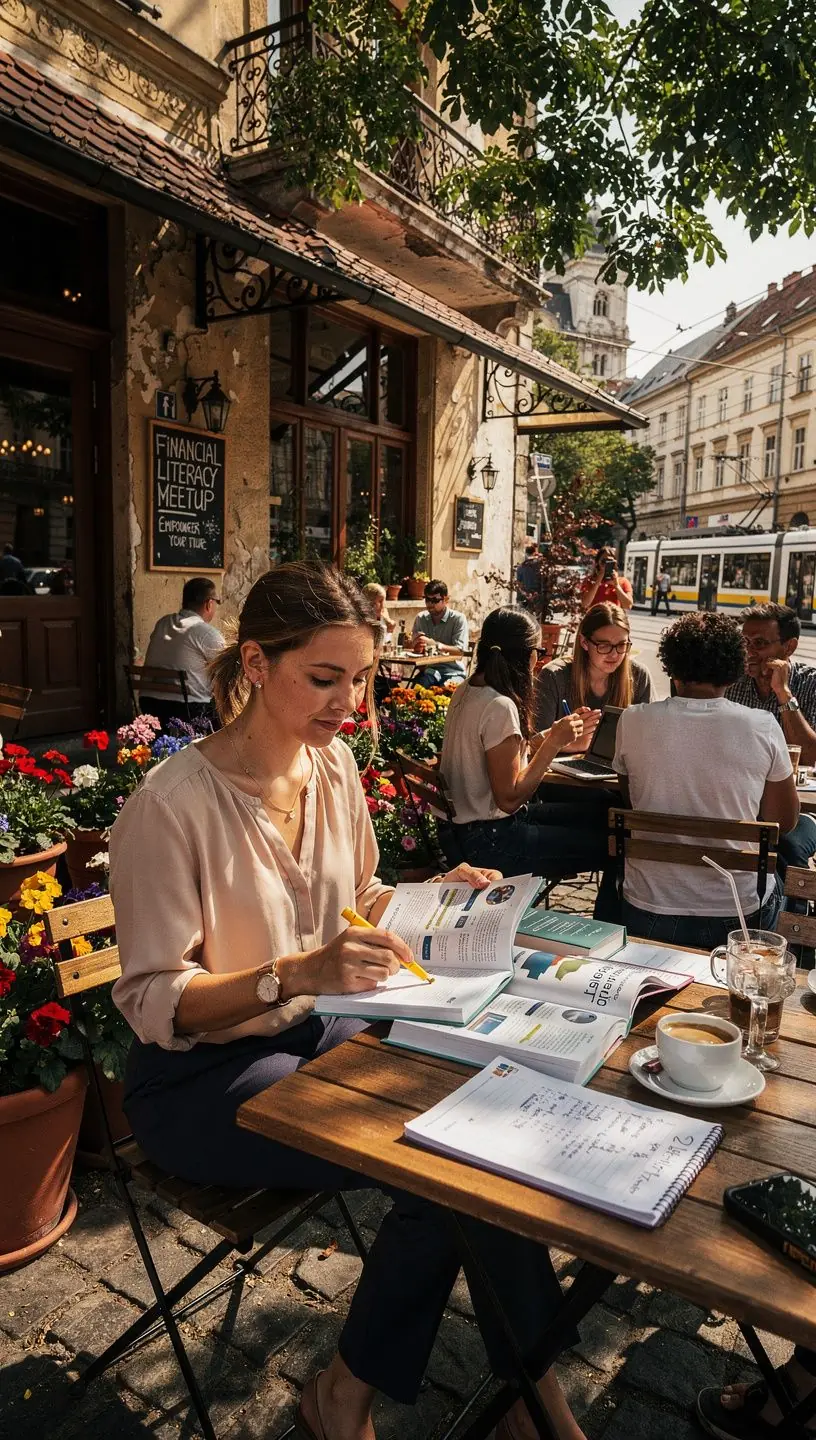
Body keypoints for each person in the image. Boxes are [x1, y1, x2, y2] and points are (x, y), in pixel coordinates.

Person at [110, 562, 590, 1440]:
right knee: (442, 1168)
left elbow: (357, 895)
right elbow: (154, 1001)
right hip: (194, 1082)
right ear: (254, 663)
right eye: (324, 678)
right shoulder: (171, 805)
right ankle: (428, 1399)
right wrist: (293, 974)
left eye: (360, 678)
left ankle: (509, 1391)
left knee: (478, 1135)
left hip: (314, 1032)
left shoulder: (331, 768)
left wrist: (434, 890)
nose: (348, 703)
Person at [605, 611, 799, 947]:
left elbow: (632, 798)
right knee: (787, 882)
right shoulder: (762, 725)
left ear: (672, 666)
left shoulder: (633, 720)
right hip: (735, 914)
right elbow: (785, 821)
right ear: (732, 669)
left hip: (645, 907)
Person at [438, 607, 611, 886]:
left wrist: (551, 734)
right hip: (493, 841)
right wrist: (554, 742)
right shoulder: (499, 705)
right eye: (539, 652)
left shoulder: (468, 689)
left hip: (469, 833)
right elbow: (509, 799)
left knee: (603, 810)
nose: (539, 660)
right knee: (613, 843)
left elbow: (498, 752)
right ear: (525, 655)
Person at [725, 602, 816, 879]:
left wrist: (783, 694)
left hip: (800, 808)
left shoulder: (810, 683)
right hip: (742, 800)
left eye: (760, 643)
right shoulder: (731, 681)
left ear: (788, 647)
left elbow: (812, 757)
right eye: (745, 642)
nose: (749, 652)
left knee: (787, 844)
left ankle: (794, 918)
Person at [536, 603, 652, 735]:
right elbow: (532, 744)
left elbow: (648, 736)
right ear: (584, 642)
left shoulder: (639, 675)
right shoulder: (553, 677)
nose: (614, 655)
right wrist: (567, 742)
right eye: (604, 645)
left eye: (621, 645)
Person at [141, 576, 226, 727]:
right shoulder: (206, 633)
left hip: (150, 706)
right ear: (209, 604)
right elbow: (227, 671)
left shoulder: (163, 623)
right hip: (187, 710)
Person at [411, 579, 469, 683]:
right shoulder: (421, 618)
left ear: (446, 600)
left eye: (435, 600)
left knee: (446, 692)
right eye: (427, 599)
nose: (430, 604)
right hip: (429, 671)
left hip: (453, 672)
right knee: (414, 692)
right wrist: (415, 645)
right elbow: (413, 647)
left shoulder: (458, 619)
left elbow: (460, 650)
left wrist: (435, 645)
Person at [580, 547, 632, 613]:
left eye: (610, 562)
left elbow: (628, 606)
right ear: (597, 563)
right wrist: (597, 581)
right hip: (594, 620)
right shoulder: (589, 580)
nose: (606, 565)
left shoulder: (623, 581)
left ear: (615, 563)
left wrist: (617, 586)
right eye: (603, 561)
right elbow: (585, 604)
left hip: (614, 621)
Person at [516, 542, 541, 610]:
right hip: (538, 594)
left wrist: (524, 594)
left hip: (526, 595)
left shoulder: (521, 567)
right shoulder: (539, 565)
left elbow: (519, 583)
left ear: (526, 553)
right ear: (535, 552)